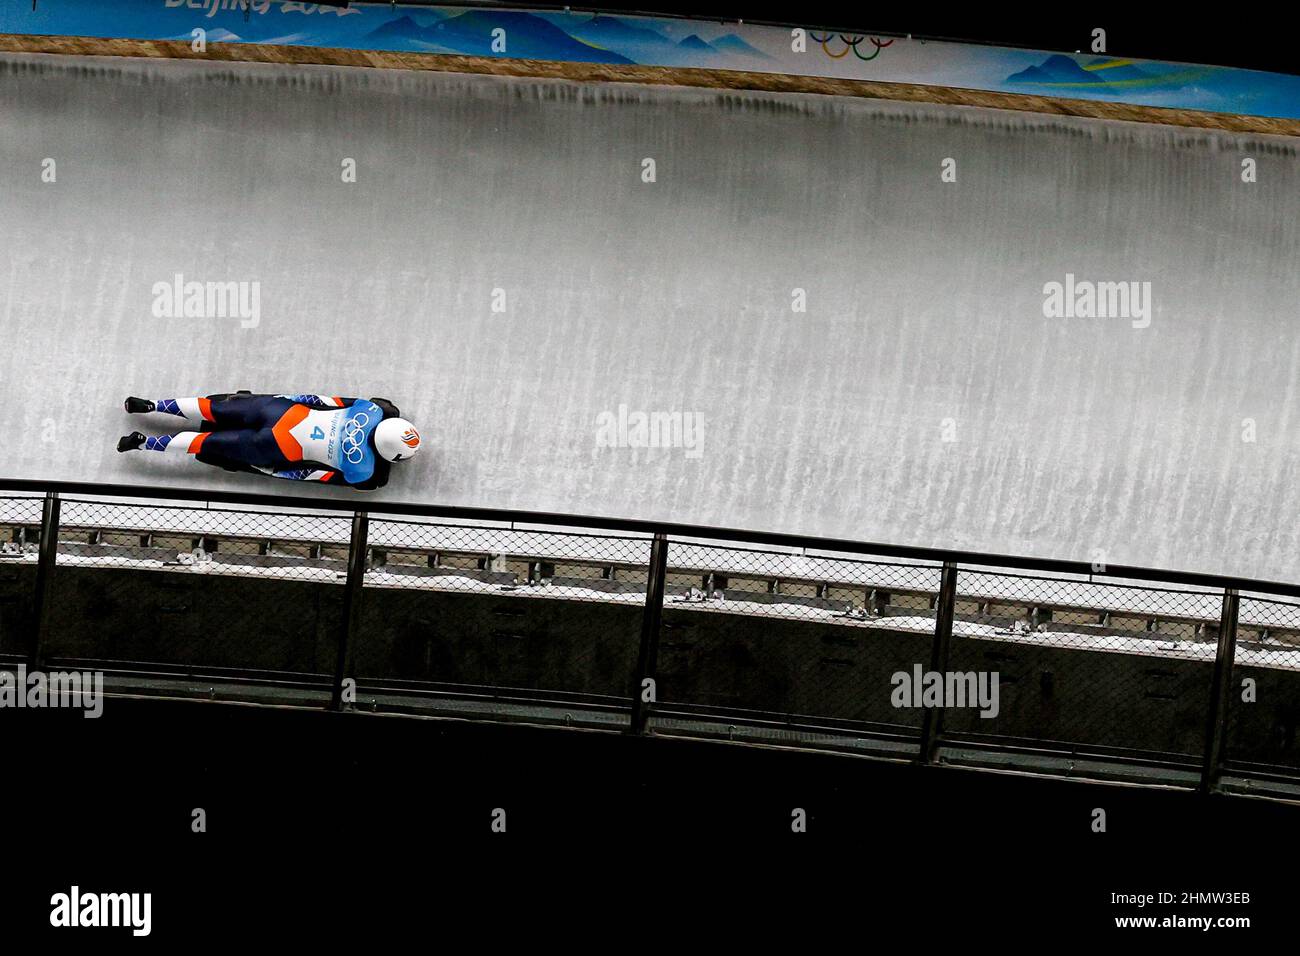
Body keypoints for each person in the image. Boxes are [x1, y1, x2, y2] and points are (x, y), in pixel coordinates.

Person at [117, 392, 420, 490]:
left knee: (214, 407)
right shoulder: (364, 471)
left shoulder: (373, 409)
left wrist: (283, 398)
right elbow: (314, 474)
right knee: (205, 443)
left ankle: (151, 405)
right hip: (274, 449)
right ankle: (142, 442)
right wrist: (269, 471)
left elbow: (322, 399)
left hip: (282, 411)